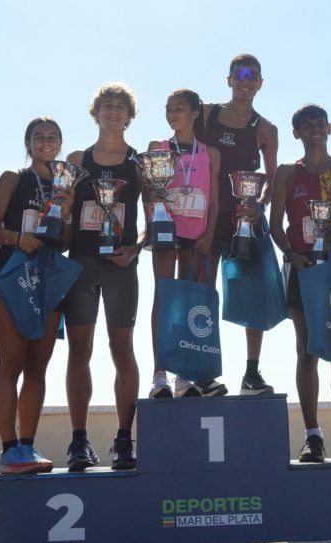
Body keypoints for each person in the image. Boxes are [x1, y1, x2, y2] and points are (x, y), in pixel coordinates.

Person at [269, 104, 331, 463]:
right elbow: (275, 224)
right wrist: (291, 254)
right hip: (303, 266)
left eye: (319, 125)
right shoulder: (287, 174)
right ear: (296, 133)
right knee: (307, 349)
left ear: (329, 128)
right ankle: (313, 436)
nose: (314, 131)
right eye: (306, 126)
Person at [0, 117, 74, 475]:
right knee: (12, 361)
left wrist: (66, 214)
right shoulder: (13, 178)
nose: (46, 142)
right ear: (28, 142)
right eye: (39, 137)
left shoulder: (67, 184)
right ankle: (8, 448)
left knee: (38, 366)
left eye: (53, 137)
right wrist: (19, 239)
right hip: (11, 274)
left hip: (49, 276)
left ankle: (27, 445)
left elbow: (66, 243)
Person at [63, 83, 143, 471]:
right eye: (107, 106)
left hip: (121, 266)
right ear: (95, 113)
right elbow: (61, 209)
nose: (114, 111)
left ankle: (124, 439)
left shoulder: (140, 162)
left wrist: (137, 247)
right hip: (80, 261)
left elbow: (159, 216)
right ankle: (79, 441)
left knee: (121, 348)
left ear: (130, 116)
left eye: (121, 106)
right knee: (79, 349)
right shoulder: (78, 159)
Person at [199, 53, 279, 396]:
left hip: (243, 220)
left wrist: (257, 206)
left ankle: (251, 372)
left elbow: (272, 180)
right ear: (228, 79)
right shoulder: (206, 113)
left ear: (260, 83)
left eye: (253, 76)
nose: (246, 81)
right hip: (205, 217)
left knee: (251, 297)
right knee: (202, 290)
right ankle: (199, 370)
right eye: (240, 74)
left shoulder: (265, 128)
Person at [146, 89, 222, 399]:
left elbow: (215, 201)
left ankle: (184, 375)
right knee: (164, 297)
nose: (173, 114)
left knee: (188, 302)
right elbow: (148, 192)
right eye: (168, 109)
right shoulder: (158, 148)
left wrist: (208, 235)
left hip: (197, 235)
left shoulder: (211, 153)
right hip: (166, 231)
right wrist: (152, 219)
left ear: (194, 113)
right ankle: (159, 373)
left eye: (179, 108)